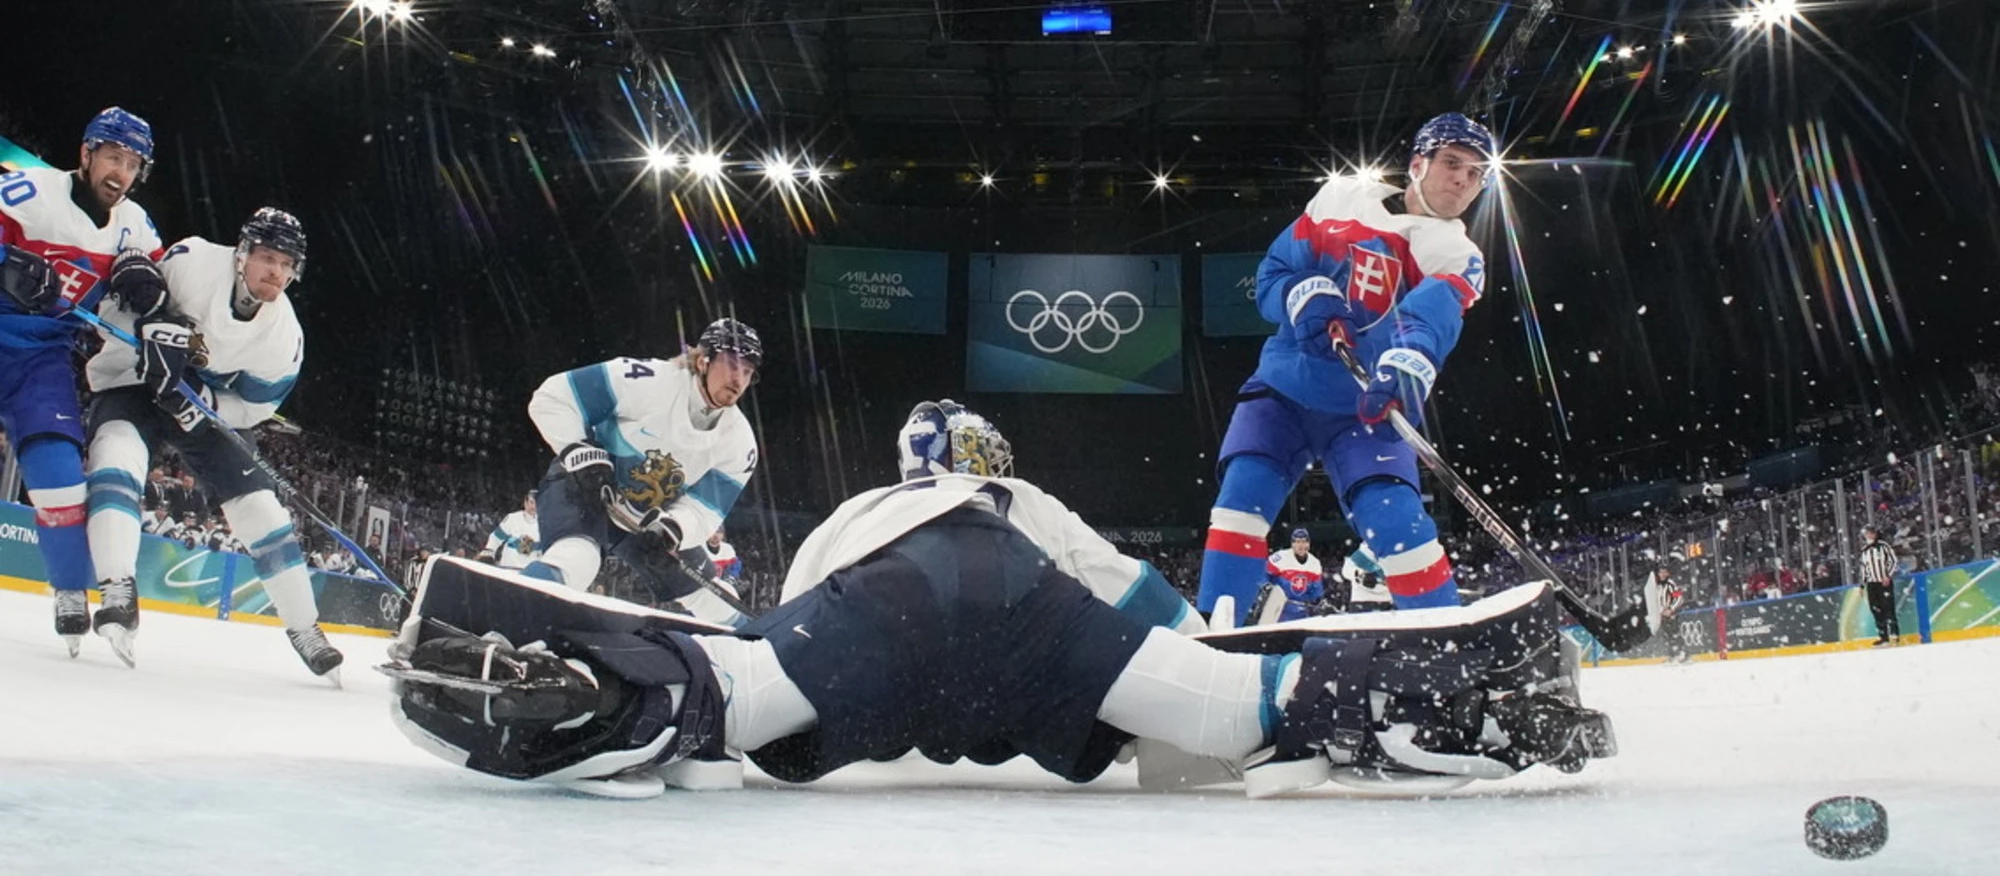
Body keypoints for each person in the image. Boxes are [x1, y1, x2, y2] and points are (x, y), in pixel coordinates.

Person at [385, 400, 1613, 800]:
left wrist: (731, 680)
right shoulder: (1018, 501)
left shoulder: (850, 513)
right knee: (1241, 705)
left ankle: (589, 695)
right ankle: (1454, 701)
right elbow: (1161, 610)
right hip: (1029, 624)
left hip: (873, 623)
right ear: (981, 459)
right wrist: (1200, 699)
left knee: (732, 696)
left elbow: (786, 624)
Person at [1196, 113, 1494, 624]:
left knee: (1400, 527)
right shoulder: (1341, 201)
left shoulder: (1458, 254)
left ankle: (1447, 640)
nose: (1463, 180)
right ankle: (1208, 632)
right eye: (1452, 163)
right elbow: (1274, 272)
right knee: (1239, 504)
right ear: (1418, 163)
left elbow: (1430, 321)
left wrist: (1406, 364)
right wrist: (1304, 295)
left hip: (1365, 408)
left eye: (1476, 172)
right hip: (1284, 389)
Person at [78, 207, 343, 679]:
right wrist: (151, 325)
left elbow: (256, 408)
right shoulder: (193, 261)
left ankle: (306, 628)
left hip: (203, 409)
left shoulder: (284, 337)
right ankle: (117, 589)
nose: (276, 273)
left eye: (287, 264)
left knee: (262, 507)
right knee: (116, 451)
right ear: (241, 254)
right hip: (134, 381)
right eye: (267, 258)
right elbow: (122, 299)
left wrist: (207, 405)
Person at [0, 108, 167, 652]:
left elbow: (157, 292)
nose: (122, 171)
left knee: (61, 480)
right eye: (113, 157)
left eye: (133, 163)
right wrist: (5, 262)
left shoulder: (135, 226)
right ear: (86, 154)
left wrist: (156, 305)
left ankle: (70, 588)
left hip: (42, 355)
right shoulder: (27, 191)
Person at [519, 318, 762, 624]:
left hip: (647, 518)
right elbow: (552, 397)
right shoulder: (647, 380)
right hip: (585, 487)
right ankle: (510, 620)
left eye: (748, 372)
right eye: (731, 365)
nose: (739, 380)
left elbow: (705, 510)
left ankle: (757, 655)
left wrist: (674, 530)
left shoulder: (740, 442)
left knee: (711, 594)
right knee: (577, 558)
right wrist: (581, 454)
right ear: (703, 360)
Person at [1255, 527, 1324, 623]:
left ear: (1308, 544)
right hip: (1277, 609)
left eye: (1304, 542)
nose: (1301, 545)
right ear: (1292, 543)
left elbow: (1316, 589)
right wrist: (1266, 586)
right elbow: (1263, 574)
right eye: (1297, 541)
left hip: (1300, 612)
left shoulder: (1314, 563)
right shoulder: (1280, 557)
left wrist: (1317, 599)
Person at [1859, 526, 1900, 647]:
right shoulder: (1864, 550)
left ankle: (1894, 633)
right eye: (1867, 534)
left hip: (1883, 581)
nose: (1869, 536)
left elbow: (1893, 561)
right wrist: (1862, 585)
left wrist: (1888, 575)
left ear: (1875, 534)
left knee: (1888, 606)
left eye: (1871, 533)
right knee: (1875, 609)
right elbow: (1863, 569)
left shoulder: (1883, 546)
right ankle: (1883, 636)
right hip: (1872, 583)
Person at [479, 491, 541, 568]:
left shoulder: (543, 524)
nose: (534, 506)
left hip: (529, 571)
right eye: (532, 502)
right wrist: (489, 551)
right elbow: (496, 537)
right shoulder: (512, 518)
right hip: (509, 567)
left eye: (537, 503)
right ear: (525, 503)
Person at [1643, 560, 1688, 663]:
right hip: (1662, 615)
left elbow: (1679, 598)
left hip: (1671, 614)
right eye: (1660, 572)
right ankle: (1672, 655)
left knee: (1674, 633)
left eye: (1664, 572)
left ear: (1668, 573)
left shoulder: (1671, 584)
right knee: (1667, 636)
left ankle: (1683, 654)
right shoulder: (1657, 585)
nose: (1662, 574)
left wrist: (1671, 609)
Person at [1341, 543, 1394, 611]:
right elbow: (1346, 571)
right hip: (1362, 601)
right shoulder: (1359, 553)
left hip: (1389, 601)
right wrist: (1362, 575)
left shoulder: (1394, 551)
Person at [704, 526, 742, 596]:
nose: (716, 536)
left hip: (723, 586)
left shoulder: (728, 548)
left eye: (719, 532)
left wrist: (731, 577)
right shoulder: (700, 548)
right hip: (705, 587)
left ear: (723, 535)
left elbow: (736, 566)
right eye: (713, 532)